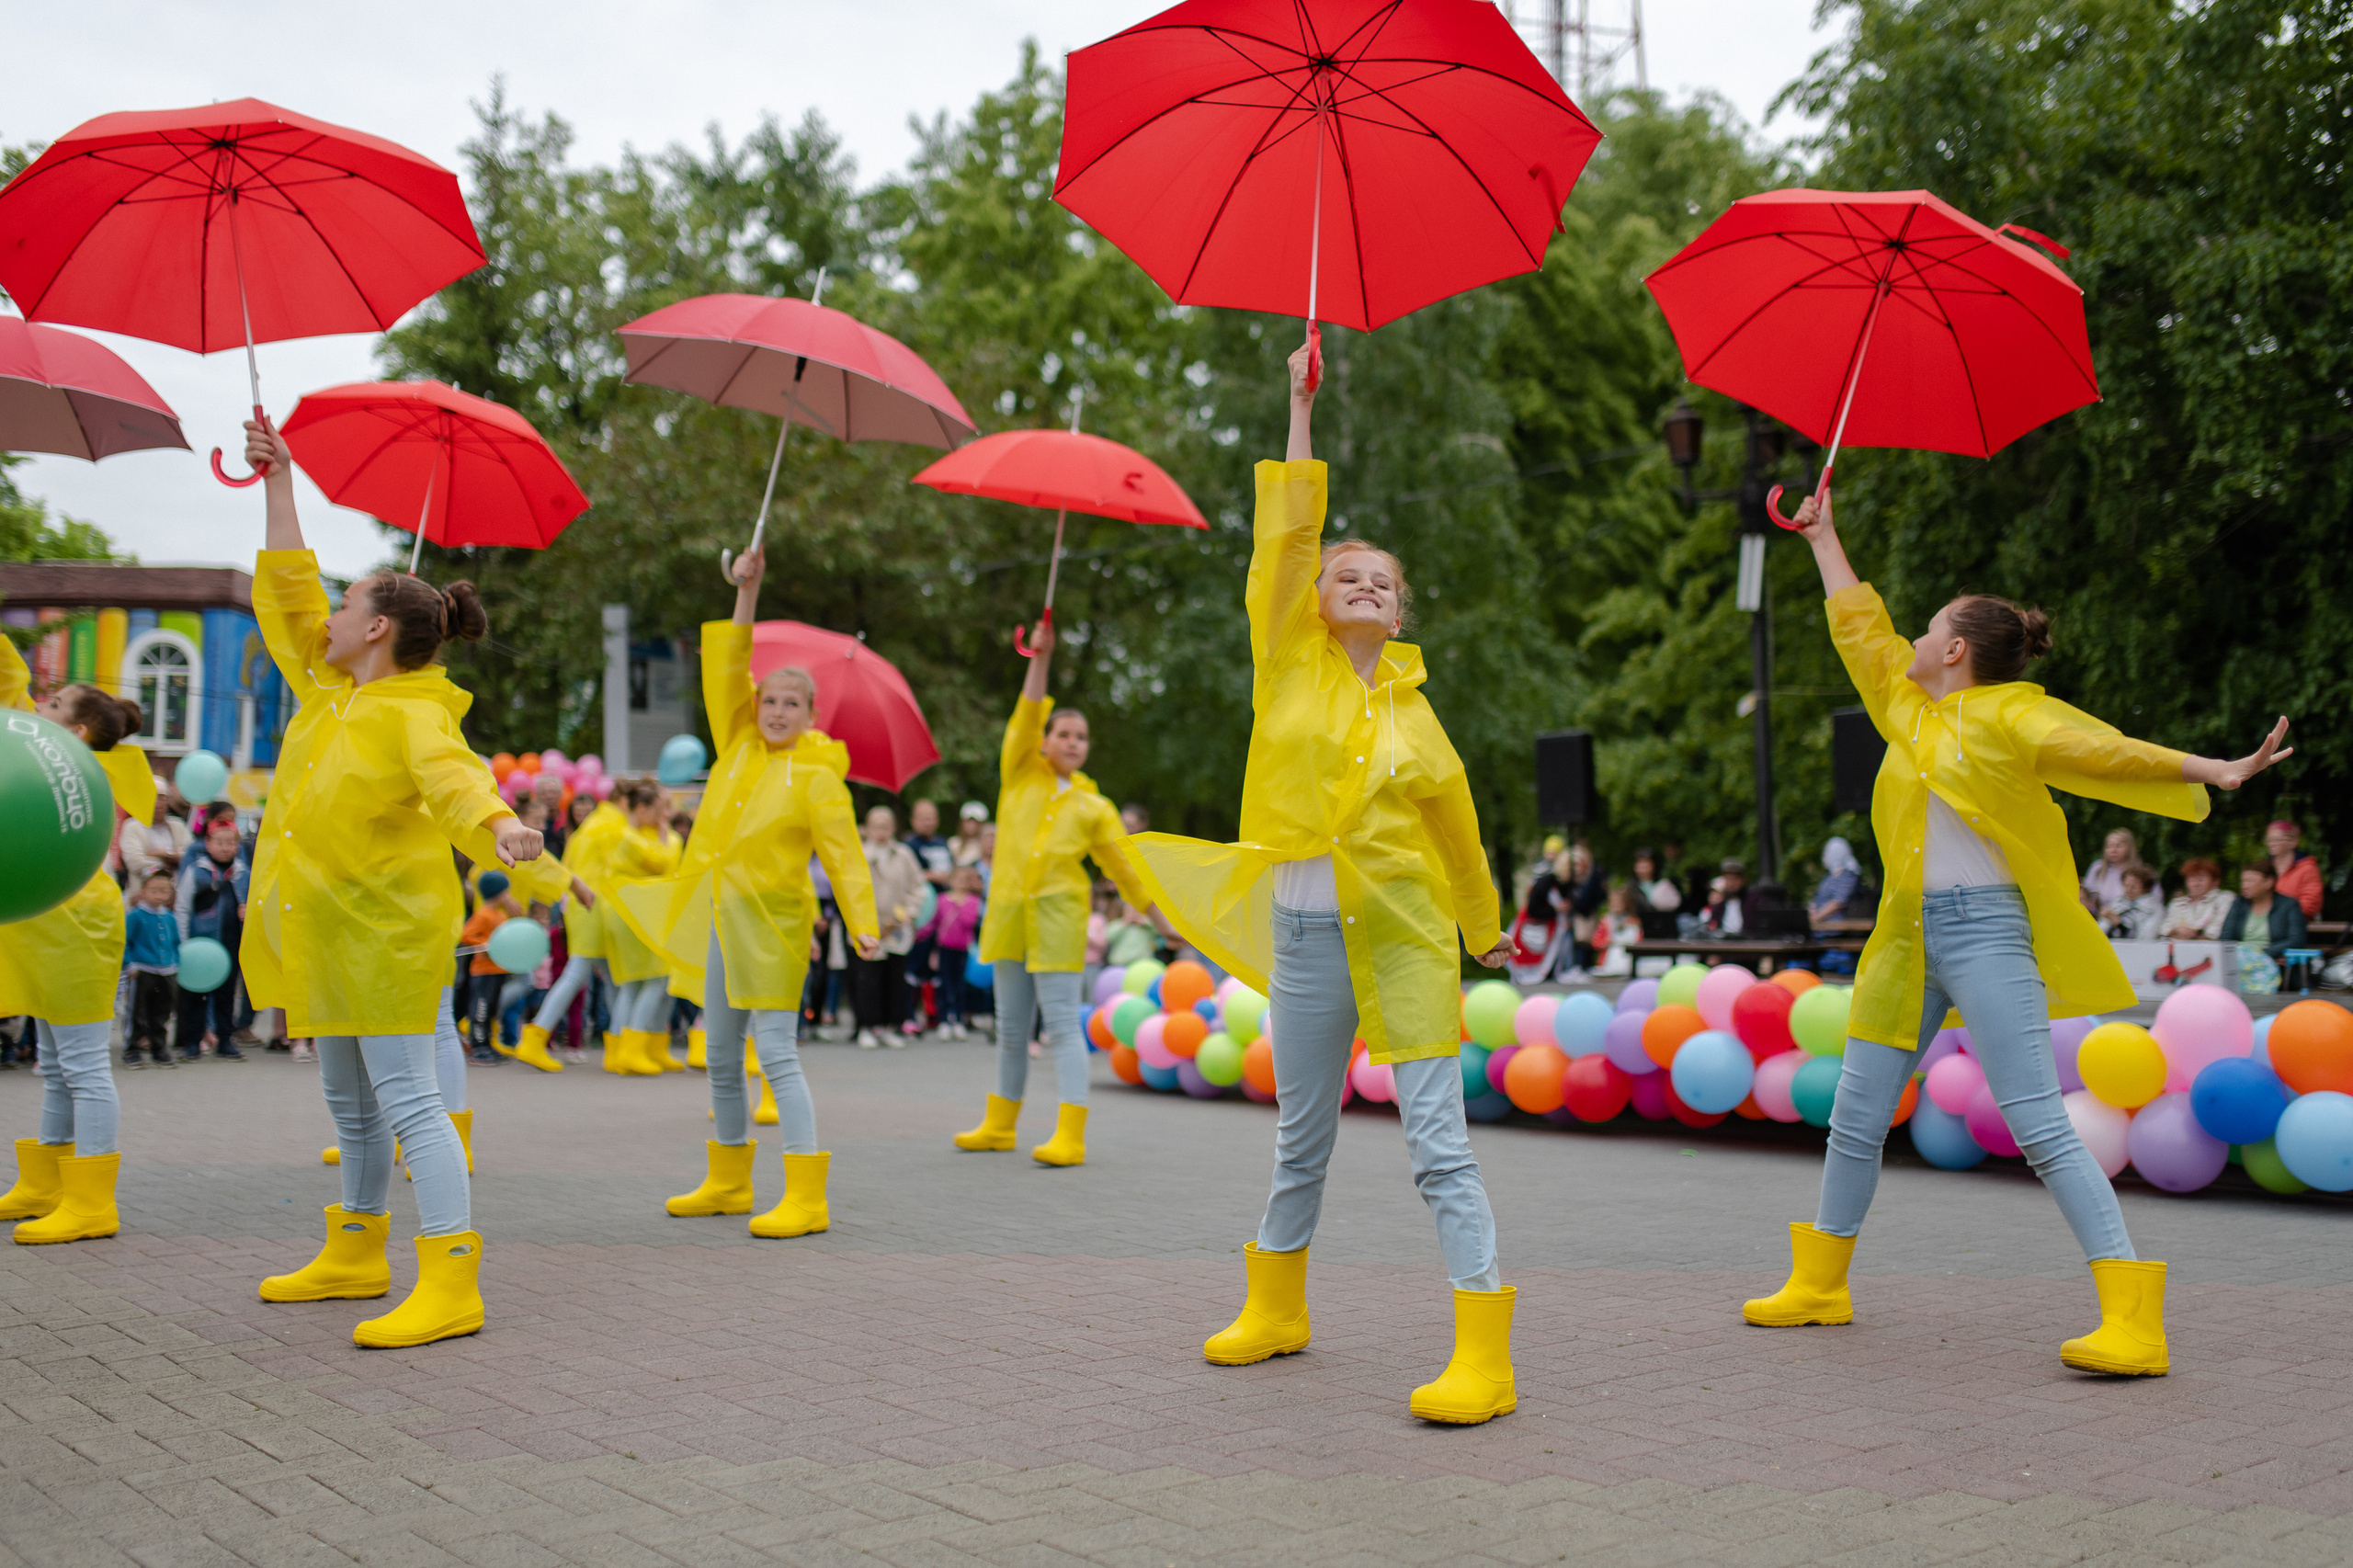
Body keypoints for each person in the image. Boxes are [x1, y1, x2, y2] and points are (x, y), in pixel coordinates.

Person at [1745, 486, 2290, 1379]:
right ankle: (1820, 1283)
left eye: (1929, 629)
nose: (1913, 640)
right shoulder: (1905, 710)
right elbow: (1860, 630)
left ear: (1956, 650)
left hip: (1986, 935)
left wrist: (2218, 769)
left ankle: (2133, 1319)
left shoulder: (2013, 714)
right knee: (1854, 1116)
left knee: (2038, 1120)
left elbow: (2109, 750)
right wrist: (1823, 537)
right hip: (1903, 942)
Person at [1127, 342, 1516, 1424]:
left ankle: (1484, 1354)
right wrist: (1297, 409)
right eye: (1350, 574)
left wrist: (1482, 926)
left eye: (1384, 581)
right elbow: (1285, 537)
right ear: (1316, 598)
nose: (1366, 585)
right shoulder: (1285, 662)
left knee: (1438, 1146)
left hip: (1402, 937)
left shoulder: (1418, 718)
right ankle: (1277, 1307)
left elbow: (1459, 835)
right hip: (1303, 940)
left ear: (1399, 613)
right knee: (1301, 1135)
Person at [236, 415, 564, 1349]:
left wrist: (501, 826)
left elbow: (458, 780)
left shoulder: (417, 711)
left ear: (377, 628)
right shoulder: (329, 690)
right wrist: (278, 481)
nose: (327, 617)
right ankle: (356, 1252)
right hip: (331, 925)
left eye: (345, 605)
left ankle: (452, 1280)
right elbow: (288, 592)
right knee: (349, 1104)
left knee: (413, 1102)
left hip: (387, 932)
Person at [614, 545, 880, 1234]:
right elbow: (730, 665)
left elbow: (846, 857)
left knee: (778, 1057)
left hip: (776, 927)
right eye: (771, 700)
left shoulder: (818, 778)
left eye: (793, 704)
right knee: (722, 1056)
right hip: (720, 923)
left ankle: (807, 1196)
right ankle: (730, 1182)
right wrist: (746, 592)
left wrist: (863, 921)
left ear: (812, 715)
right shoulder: (737, 745)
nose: (778, 711)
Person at [952, 616, 1155, 1166]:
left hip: (1060, 924)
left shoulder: (1095, 806)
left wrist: (1158, 917)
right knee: (1011, 1028)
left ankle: (1071, 1134)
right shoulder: (1020, 773)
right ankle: (1000, 1125)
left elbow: (1123, 868)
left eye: (1080, 737)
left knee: (1063, 1025)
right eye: (1062, 733)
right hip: (1010, 919)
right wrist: (1039, 658)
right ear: (1043, 742)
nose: (1072, 742)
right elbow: (1025, 713)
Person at [0, 652, 153, 1244]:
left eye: (56, 703)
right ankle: (45, 1185)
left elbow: (12, 691)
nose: (41, 705)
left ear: (79, 731)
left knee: (84, 1067)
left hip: (79, 927)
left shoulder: (74, 769)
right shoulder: (50, 758)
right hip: (50, 923)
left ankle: (91, 1203)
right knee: (57, 1065)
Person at [513, 794, 619, 1072]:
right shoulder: (605, 828)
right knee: (578, 975)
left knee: (609, 978)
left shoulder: (586, 832)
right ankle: (536, 1037)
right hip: (593, 908)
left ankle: (620, 1046)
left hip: (586, 907)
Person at [601, 779, 683, 1074]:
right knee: (656, 979)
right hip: (637, 915)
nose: (665, 815)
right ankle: (633, 1049)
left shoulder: (627, 834)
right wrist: (665, 834)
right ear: (642, 809)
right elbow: (665, 862)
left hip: (629, 913)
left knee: (633, 983)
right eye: (660, 809)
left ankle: (620, 1051)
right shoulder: (629, 837)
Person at [176, 813, 251, 1061]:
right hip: (201, 944)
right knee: (196, 996)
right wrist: (183, 942)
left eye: (230, 843)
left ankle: (225, 1039)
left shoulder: (243, 874)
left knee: (227, 994)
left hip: (232, 943)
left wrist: (248, 913)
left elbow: (255, 905)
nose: (225, 847)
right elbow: (183, 907)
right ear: (207, 844)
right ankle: (193, 1041)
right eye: (219, 842)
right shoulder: (196, 872)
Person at [847, 807, 925, 1046]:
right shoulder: (858, 852)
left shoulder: (903, 854)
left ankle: (892, 1026)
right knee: (867, 978)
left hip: (896, 927)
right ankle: (866, 1026)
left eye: (885, 826)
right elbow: (849, 889)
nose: (881, 831)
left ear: (893, 828)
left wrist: (908, 913)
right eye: (876, 826)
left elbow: (918, 887)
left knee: (895, 978)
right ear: (868, 827)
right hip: (868, 927)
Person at [459, 871, 521, 1063]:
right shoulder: (483, 914)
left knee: (492, 1010)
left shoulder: (501, 914)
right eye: (506, 892)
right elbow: (466, 935)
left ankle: (488, 1043)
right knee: (481, 1009)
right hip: (483, 971)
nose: (508, 895)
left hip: (498, 970)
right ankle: (478, 1047)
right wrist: (483, 944)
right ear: (496, 892)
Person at [122, 873, 182, 1069]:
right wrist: (129, 964)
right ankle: (132, 1048)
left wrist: (176, 963)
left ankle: (159, 1048)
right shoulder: (135, 916)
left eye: (164, 891)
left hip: (167, 971)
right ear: (143, 892)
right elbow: (125, 942)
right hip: (142, 970)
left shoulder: (169, 917)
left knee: (162, 1012)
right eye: (154, 891)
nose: (159, 896)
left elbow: (175, 943)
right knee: (137, 1011)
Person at [931, 865, 984, 1040]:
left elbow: (969, 922)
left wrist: (959, 906)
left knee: (959, 984)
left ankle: (959, 1019)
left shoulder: (973, 901)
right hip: (944, 948)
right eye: (958, 880)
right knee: (944, 984)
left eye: (964, 880)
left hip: (962, 949)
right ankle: (944, 1020)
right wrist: (933, 951)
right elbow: (935, 924)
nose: (961, 883)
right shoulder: (941, 900)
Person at [2222, 859, 2308, 963]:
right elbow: (2225, 938)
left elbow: (2296, 940)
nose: (2244, 886)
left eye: (2250, 881)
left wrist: (2262, 954)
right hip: (2240, 961)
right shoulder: (2239, 903)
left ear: (2269, 882)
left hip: (2274, 961)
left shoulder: (2289, 904)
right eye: (2243, 881)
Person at [2265, 820, 2323, 919]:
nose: (2271, 843)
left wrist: (2277, 910)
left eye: (2277, 839)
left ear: (2294, 842)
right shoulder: (2263, 867)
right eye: (2269, 839)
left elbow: (2310, 905)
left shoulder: (2307, 869)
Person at [2162, 858, 2230, 940]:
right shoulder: (2176, 904)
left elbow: (2216, 933)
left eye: (2201, 879)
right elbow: (2163, 931)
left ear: (2215, 881)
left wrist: (2193, 935)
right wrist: (2175, 931)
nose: (2196, 884)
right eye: (2191, 879)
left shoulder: (2223, 899)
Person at [2079, 827, 2139, 915]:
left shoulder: (2140, 871)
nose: (2113, 850)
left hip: (2130, 919)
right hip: (2099, 917)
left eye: (2119, 846)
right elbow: (2086, 897)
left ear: (2130, 848)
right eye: (2109, 846)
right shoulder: (2097, 869)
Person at [1808, 837, 1863, 926]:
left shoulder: (1848, 876)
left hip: (1836, 924)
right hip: (1820, 923)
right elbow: (1818, 897)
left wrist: (1817, 917)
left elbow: (1839, 902)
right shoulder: (1829, 877)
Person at [1698, 858, 1758, 936]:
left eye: (1735, 879)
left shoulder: (1753, 902)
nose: (1731, 883)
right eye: (1728, 878)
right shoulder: (1719, 907)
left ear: (1743, 880)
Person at [2102, 866, 2164, 941]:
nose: (2128, 890)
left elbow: (2146, 938)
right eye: (2126, 885)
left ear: (2145, 888)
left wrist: (2120, 924)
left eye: (2133, 886)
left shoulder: (2154, 910)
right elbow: (2101, 930)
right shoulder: (2117, 903)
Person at [1629, 848, 1683, 917]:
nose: (1643, 868)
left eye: (1646, 864)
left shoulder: (1664, 884)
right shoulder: (1631, 887)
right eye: (1640, 865)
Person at [952, 801, 990, 868]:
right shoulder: (953, 843)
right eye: (969, 821)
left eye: (976, 822)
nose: (972, 825)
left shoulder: (986, 846)